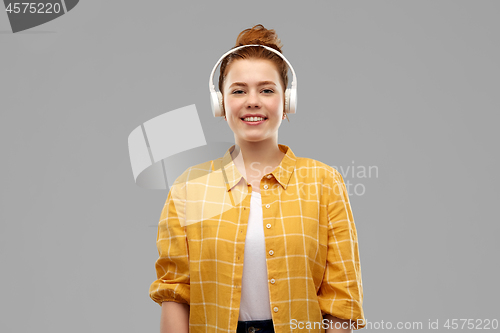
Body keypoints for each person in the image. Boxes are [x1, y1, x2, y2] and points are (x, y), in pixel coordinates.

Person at [149, 24, 365, 333]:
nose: (253, 101)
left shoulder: (324, 183)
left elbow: (341, 300)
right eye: (238, 90)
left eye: (266, 89)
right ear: (220, 103)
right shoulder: (189, 188)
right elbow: (175, 293)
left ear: (287, 101)